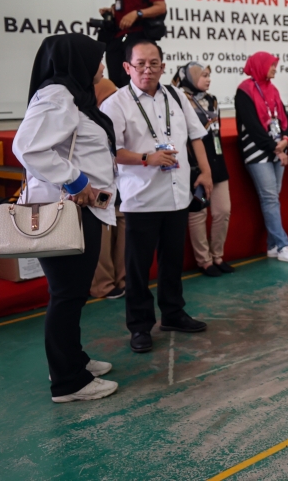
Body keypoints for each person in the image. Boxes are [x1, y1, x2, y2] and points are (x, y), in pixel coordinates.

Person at [13, 33, 119, 402]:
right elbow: (26, 147)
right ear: (77, 60)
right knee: (66, 294)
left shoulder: (72, 95)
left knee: (72, 294)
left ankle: (71, 360)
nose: (101, 66)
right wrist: (76, 180)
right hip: (67, 210)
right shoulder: (57, 93)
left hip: (82, 210)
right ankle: (68, 382)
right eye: (97, 59)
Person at [100, 40, 214, 353]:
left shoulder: (176, 96)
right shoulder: (116, 104)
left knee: (172, 261)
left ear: (163, 66)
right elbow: (111, 150)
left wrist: (205, 172)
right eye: (140, 64)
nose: (147, 70)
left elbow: (197, 136)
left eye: (154, 63)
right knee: (137, 268)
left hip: (178, 194)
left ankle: (173, 313)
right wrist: (146, 158)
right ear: (127, 67)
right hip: (141, 199)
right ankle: (139, 326)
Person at [235, 52, 288, 264]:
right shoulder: (244, 90)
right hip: (259, 151)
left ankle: (273, 246)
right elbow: (252, 126)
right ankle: (283, 245)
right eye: (272, 65)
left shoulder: (273, 90)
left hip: (277, 149)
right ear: (260, 65)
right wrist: (276, 147)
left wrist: (285, 139)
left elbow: (284, 119)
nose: (275, 68)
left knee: (273, 197)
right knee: (269, 198)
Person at [173, 63, 233, 277]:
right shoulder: (180, 99)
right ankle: (204, 261)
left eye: (209, 75)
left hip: (217, 161)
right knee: (198, 213)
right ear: (190, 77)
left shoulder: (213, 100)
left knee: (223, 211)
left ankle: (218, 256)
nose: (208, 79)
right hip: (194, 165)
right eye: (204, 76)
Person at [89, 77, 126, 300]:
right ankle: (102, 285)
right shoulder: (90, 120)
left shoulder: (114, 113)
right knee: (103, 231)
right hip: (100, 185)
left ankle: (121, 280)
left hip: (121, 182)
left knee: (122, 228)